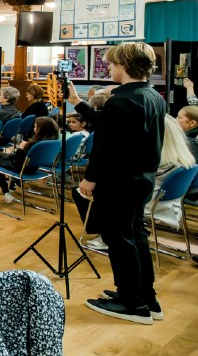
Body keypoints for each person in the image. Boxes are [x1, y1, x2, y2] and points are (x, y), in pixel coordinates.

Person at [79, 43, 166, 325]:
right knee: (136, 237)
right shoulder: (152, 96)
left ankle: (132, 302)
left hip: (119, 181)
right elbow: (113, 130)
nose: (109, 69)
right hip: (141, 179)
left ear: (124, 65)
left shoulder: (121, 101)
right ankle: (145, 296)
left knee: (120, 241)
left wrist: (90, 178)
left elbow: (107, 147)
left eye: (112, 64)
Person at [0, 117, 59, 202]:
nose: (34, 128)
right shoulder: (52, 142)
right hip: (33, 168)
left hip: (21, 168)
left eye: (35, 127)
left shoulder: (34, 144)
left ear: (41, 129)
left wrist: (20, 148)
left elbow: (18, 159)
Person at [145, 115, 196, 228]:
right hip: (171, 208)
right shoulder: (182, 157)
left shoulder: (156, 161)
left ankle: (107, 239)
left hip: (152, 206)